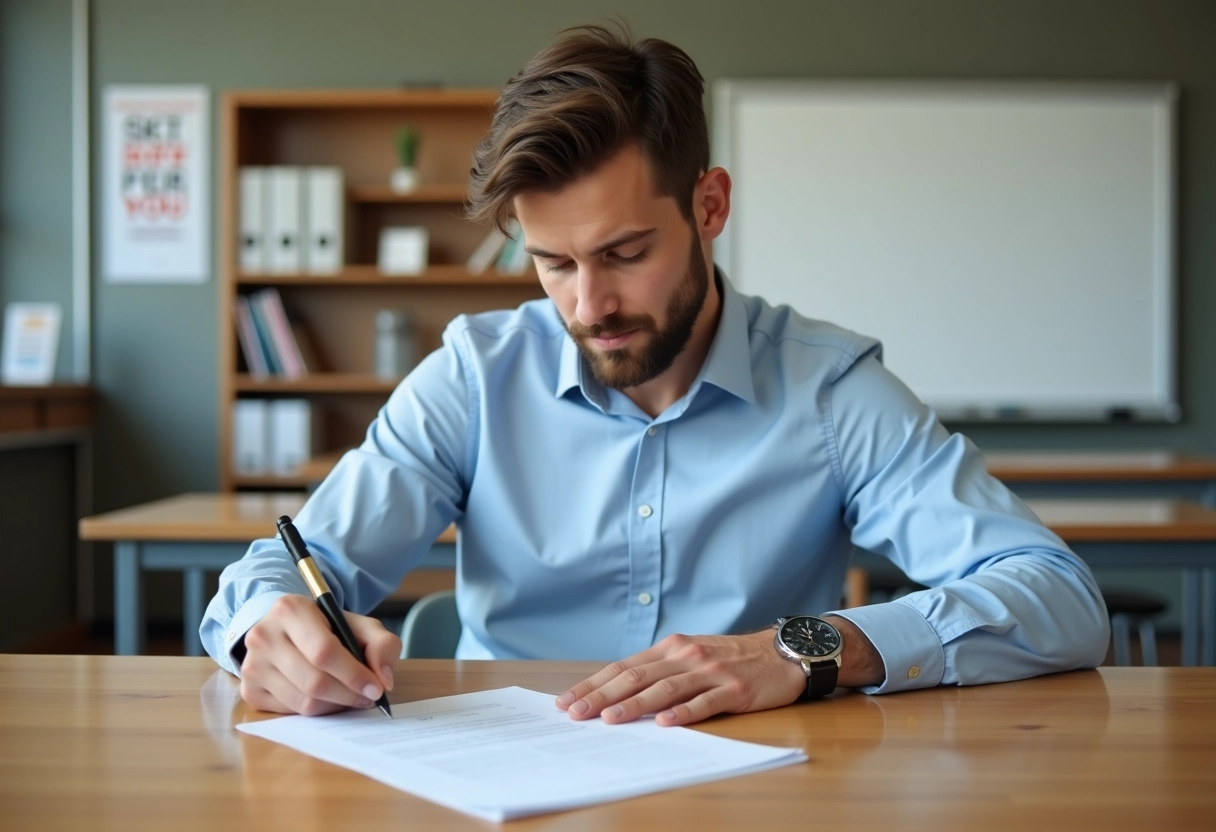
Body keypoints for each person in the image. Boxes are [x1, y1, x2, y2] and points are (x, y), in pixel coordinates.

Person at [202, 24, 1109, 725]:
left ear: (709, 207)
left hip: (750, 780)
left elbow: (1058, 596)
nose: (589, 304)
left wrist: (808, 648)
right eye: (553, 262)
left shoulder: (830, 392)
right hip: (496, 784)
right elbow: (277, 574)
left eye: (625, 252)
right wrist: (268, 632)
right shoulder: (477, 376)